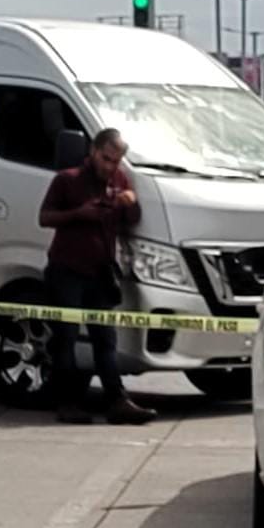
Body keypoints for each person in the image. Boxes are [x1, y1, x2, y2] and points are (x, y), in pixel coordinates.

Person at [39, 128, 157, 425]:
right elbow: (45, 217)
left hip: (101, 272)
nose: (110, 167)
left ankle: (117, 400)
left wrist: (130, 203)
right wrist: (79, 213)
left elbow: (132, 219)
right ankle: (67, 402)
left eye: (116, 162)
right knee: (65, 338)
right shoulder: (68, 180)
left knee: (105, 339)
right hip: (67, 270)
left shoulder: (118, 181)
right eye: (106, 159)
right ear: (93, 152)